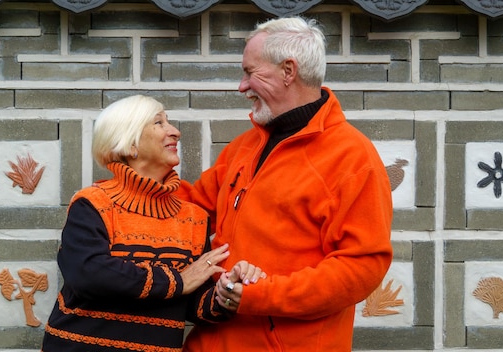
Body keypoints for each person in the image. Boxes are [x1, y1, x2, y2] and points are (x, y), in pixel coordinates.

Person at [178, 16, 394, 351]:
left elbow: (361, 267)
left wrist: (257, 296)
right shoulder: (243, 147)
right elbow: (190, 207)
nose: (242, 86)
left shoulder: (352, 157)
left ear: (288, 71)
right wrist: (120, 192)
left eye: (250, 72)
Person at [41, 95, 263, 352]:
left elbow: (193, 302)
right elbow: (88, 274)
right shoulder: (93, 203)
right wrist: (177, 281)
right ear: (130, 143)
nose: (175, 132)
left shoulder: (194, 218)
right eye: (159, 122)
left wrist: (227, 290)